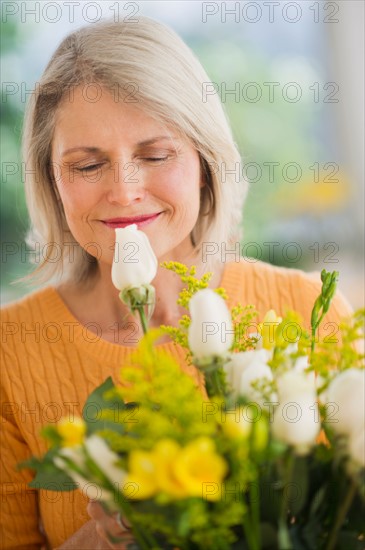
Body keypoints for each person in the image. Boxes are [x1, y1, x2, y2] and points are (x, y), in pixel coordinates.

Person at [0, 16, 353, 550]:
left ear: (205, 163)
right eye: (88, 165)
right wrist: (106, 536)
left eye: (155, 155)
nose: (124, 191)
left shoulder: (307, 311)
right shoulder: (10, 350)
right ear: (52, 181)